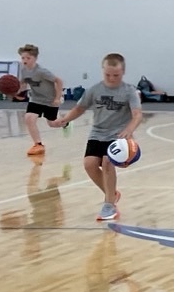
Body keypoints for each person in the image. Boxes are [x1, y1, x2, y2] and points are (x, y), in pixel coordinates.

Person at [55, 52, 143, 222]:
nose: (111, 78)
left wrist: (130, 129)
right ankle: (112, 194)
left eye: (115, 75)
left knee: (108, 162)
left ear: (123, 72)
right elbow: (80, 108)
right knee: (89, 164)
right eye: (107, 74)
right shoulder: (94, 90)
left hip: (118, 135)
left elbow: (137, 114)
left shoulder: (129, 91)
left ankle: (109, 205)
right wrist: (65, 120)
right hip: (97, 133)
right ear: (103, 71)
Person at [15, 44, 62, 157]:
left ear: (35, 58)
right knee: (29, 118)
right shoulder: (23, 70)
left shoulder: (41, 71)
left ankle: (66, 123)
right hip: (35, 99)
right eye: (23, 58)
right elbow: (23, 83)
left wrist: (57, 98)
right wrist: (17, 93)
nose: (25, 60)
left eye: (28, 58)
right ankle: (38, 144)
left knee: (52, 123)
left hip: (50, 100)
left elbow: (58, 81)